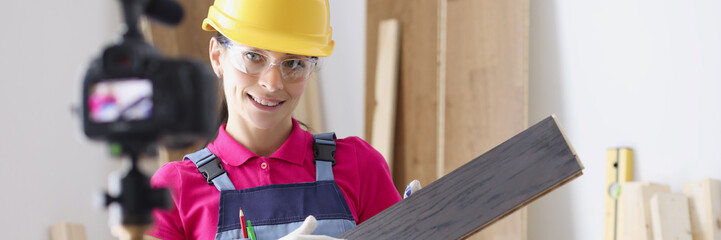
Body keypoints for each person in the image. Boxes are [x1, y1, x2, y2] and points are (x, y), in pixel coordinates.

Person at [146, 0, 401, 239]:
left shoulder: (359, 165)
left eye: (293, 63)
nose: (272, 83)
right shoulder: (174, 190)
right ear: (217, 57)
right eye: (253, 56)